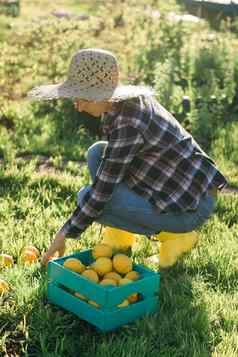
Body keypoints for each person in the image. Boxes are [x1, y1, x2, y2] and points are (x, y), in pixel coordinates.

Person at [27, 48, 227, 267]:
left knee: (87, 197)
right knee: (97, 153)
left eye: (82, 97)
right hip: (178, 187)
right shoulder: (122, 105)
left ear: (101, 94)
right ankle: (120, 238)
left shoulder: (129, 122)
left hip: (191, 206)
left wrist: (65, 233)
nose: (78, 105)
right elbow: (114, 165)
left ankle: (177, 236)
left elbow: (101, 192)